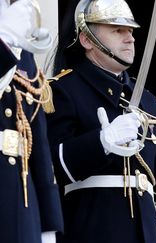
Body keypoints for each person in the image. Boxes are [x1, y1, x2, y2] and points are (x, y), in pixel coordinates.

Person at [46, 0, 156, 242]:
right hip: (93, 230)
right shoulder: (64, 91)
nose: (130, 38)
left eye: (130, 31)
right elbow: (53, 168)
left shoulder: (148, 101)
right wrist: (101, 142)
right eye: (117, 30)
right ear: (87, 40)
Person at [0, 0, 63, 242]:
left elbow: (35, 139)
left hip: (21, 203)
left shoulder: (20, 37)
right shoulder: (10, 32)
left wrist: (48, 224)